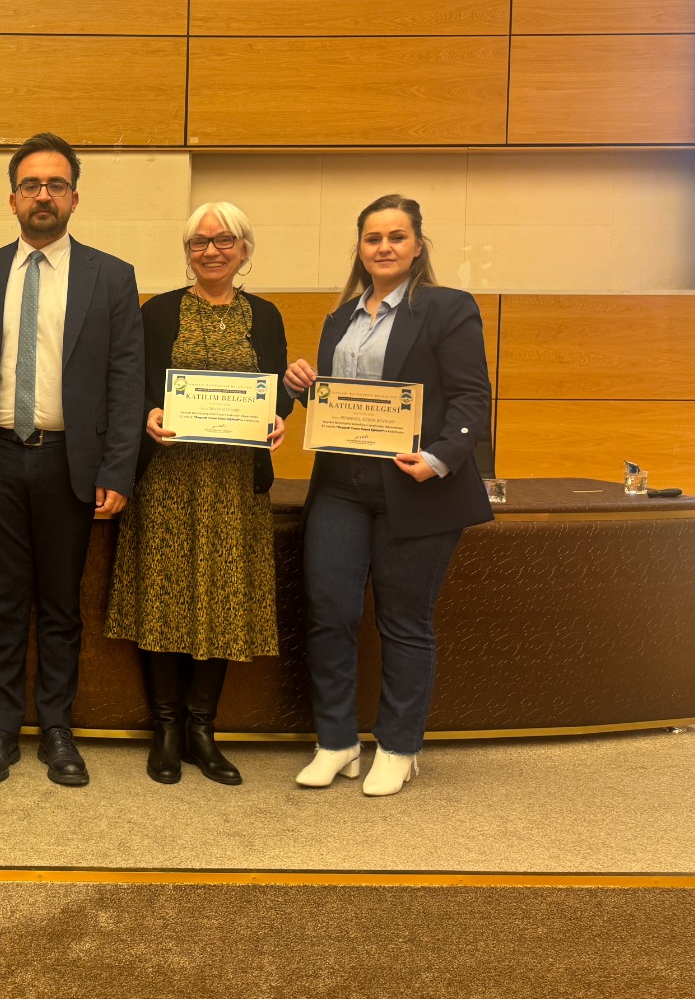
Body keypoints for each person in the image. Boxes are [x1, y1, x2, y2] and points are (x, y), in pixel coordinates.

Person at [284, 194, 492, 797]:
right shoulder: (340, 318)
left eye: (396, 237)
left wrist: (439, 458)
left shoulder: (448, 308)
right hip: (340, 488)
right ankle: (336, 741)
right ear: (359, 247)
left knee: (403, 621)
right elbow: (346, 408)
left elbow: (472, 397)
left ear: (418, 245)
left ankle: (399, 747)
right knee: (329, 614)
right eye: (373, 238)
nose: (384, 247)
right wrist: (305, 387)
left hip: (416, 487)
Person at [0, 132, 145, 787]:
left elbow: (127, 380)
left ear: (74, 198)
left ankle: (58, 728)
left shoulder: (111, 276)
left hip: (72, 463)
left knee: (62, 605)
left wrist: (117, 469)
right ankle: (2, 728)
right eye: (31, 185)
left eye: (56, 185)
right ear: (12, 199)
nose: (43, 195)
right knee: (3, 602)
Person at [106, 202, 290, 787]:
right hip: (167, 480)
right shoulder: (158, 312)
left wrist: (279, 418)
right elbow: (131, 385)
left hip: (235, 485)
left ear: (244, 249)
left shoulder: (266, 316)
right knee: (164, 597)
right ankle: (166, 729)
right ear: (187, 252)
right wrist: (148, 413)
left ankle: (202, 729)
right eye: (199, 242)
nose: (211, 251)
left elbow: (276, 395)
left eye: (223, 240)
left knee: (225, 598)